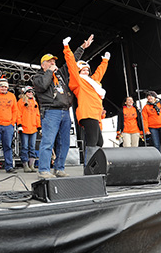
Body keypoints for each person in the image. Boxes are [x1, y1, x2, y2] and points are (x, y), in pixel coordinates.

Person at [33, 35, 94, 179]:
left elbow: (71, 63)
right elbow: (42, 86)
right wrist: (49, 71)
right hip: (50, 112)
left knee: (65, 142)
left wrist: (82, 48)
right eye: (50, 61)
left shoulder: (60, 74)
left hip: (65, 111)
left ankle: (59, 168)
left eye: (54, 61)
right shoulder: (38, 77)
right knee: (48, 141)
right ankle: (43, 170)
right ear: (43, 64)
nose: (53, 63)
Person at [63, 36, 110, 165]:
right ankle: (89, 167)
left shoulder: (93, 82)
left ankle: (95, 165)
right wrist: (67, 48)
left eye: (87, 70)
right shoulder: (78, 81)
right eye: (82, 70)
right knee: (92, 141)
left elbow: (100, 72)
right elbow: (71, 65)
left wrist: (105, 60)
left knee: (99, 142)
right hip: (87, 113)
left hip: (96, 114)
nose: (85, 71)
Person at [0, 78, 18, 174]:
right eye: (1, 86)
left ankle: (9, 166)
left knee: (8, 146)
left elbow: (15, 110)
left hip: (7, 126)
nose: (3, 88)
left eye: (5, 86)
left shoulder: (12, 96)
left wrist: (12, 123)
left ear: (8, 87)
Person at [17, 86, 41, 172]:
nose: (30, 93)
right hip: (24, 128)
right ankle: (25, 165)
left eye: (31, 92)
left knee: (32, 147)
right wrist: (19, 125)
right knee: (25, 147)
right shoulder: (21, 102)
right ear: (25, 93)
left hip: (33, 128)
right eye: (28, 92)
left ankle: (32, 165)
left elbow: (37, 115)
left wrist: (39, 126)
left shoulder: (35, 102)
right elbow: (18, 114)